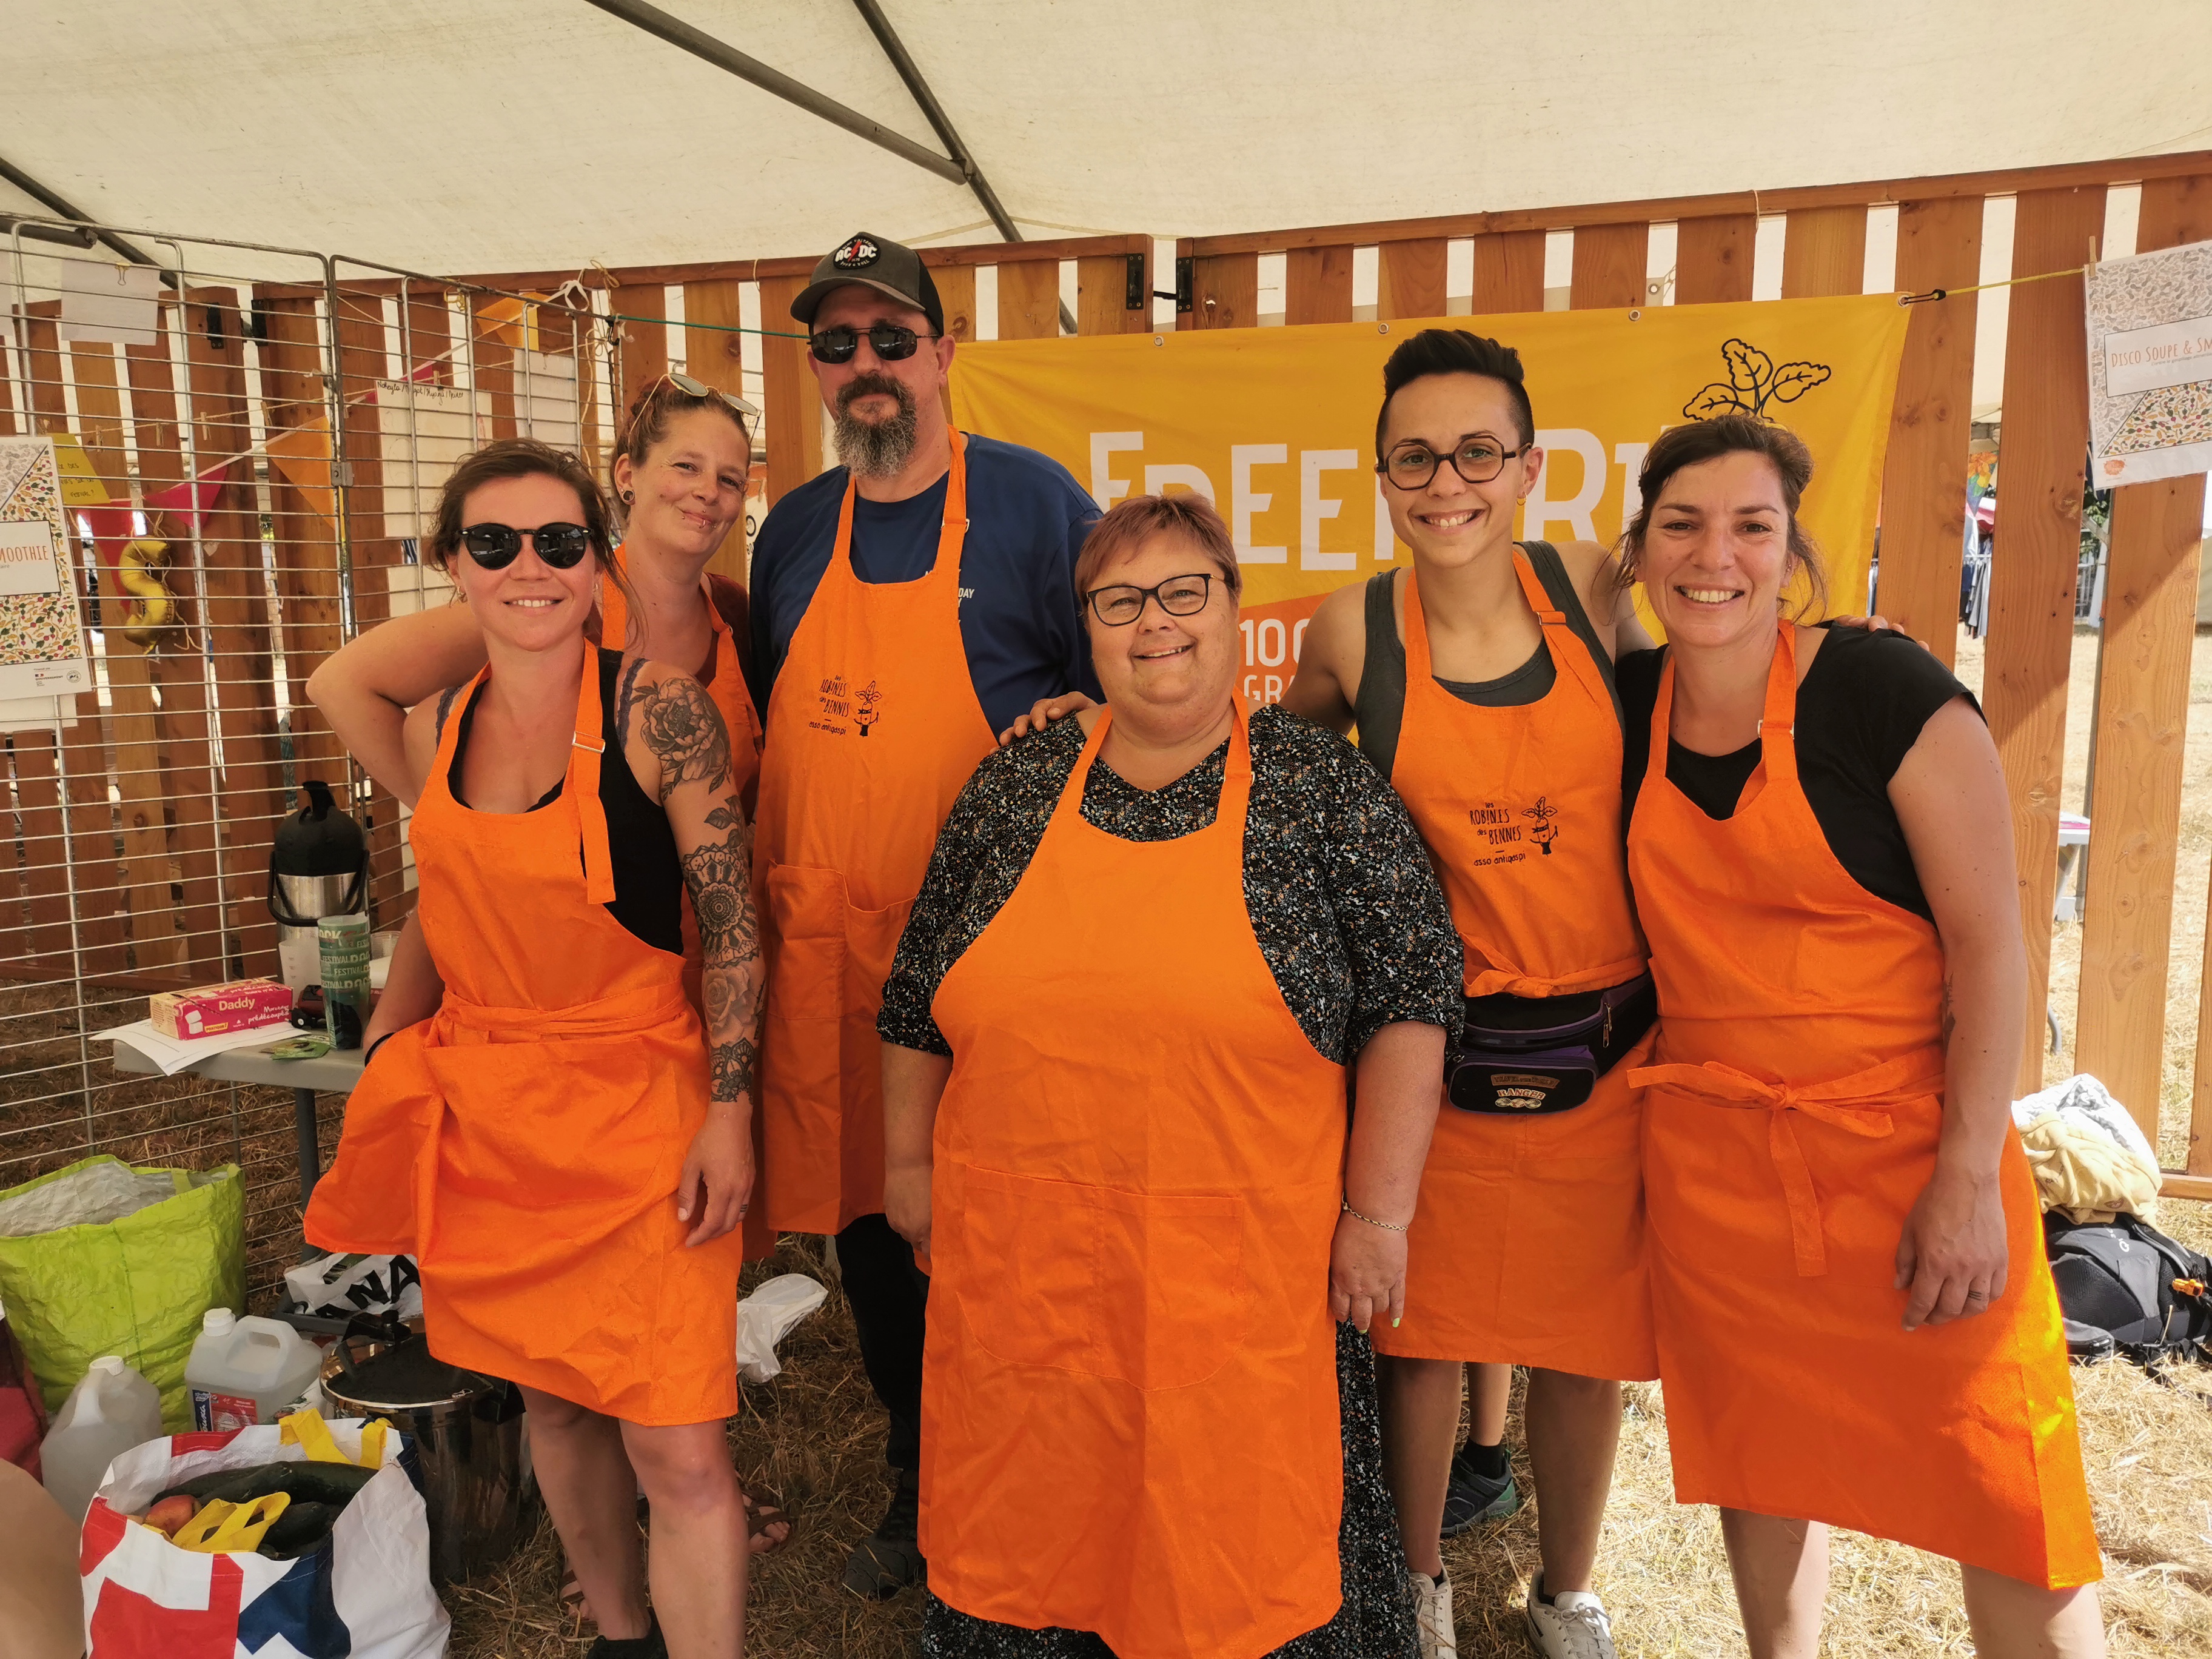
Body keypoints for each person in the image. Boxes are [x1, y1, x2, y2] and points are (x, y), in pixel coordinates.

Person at [878, 491, 1463, 1658]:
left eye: (1186, 591)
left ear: (1236, 614)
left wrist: (1378, 1215)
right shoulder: (1013, 787)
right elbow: (914, 997)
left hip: (1246, 1287)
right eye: (1122, 600)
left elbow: (1413, 1002)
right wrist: (904, 1161)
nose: (1157, 623)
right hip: (1027, 1276)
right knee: (1037, 1553)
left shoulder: (1321, 793)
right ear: (1086, 631)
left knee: (1240, 1563)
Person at [1614, 415, 2103, 1657]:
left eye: (1751, 526)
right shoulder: (1623, 704)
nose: (1713, 553)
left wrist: (1964, 1183)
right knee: (1764, 1466)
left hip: (1911, 1162)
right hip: (1722, 1176)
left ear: (1795, 553)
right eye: (1680, 523)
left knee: (2008, 1491)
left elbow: (1993, 947)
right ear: (1639, 549)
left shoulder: (1886, 693)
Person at [304, 438, 760, 1659]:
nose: (531, 565)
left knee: (677, 1441)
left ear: (597, 560)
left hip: (640, 1111)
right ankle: (623, 1636)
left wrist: (730, 1111)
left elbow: (731, 926)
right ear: (448, 563)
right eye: (493, 544)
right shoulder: (441, 725)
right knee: (555, 1404)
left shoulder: (656, 707)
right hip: (497, 1120)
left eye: (560, 544)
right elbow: (440, 882)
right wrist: (396, 1042)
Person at [1283, 330, 1656, 1659]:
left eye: (1479, 452)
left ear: (1530, 465)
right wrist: (1080, 727)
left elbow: (1742, 670)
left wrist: (1847, 652)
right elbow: (1259, 772)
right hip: (1435, 1062)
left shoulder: (1597, 592)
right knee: (1419, 1341)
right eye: (1417, 457)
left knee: (1582, 1344)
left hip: (1604, 1051)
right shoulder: (1350, 628)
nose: (1449, 482)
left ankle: (1567, 1593)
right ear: (1381, 472)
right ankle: (1421, 1586)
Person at [748, 230, 1102, 1595]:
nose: (865, 366)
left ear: (945, 355)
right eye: (838, 345)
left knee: (1002, 1239)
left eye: (893, 339)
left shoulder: (1031, 503)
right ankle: (921, 1480)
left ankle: (1032, 1490)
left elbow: (1108, 700)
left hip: (990, 957)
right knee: (877, 1239)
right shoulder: (791, 529)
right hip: (833, 957)